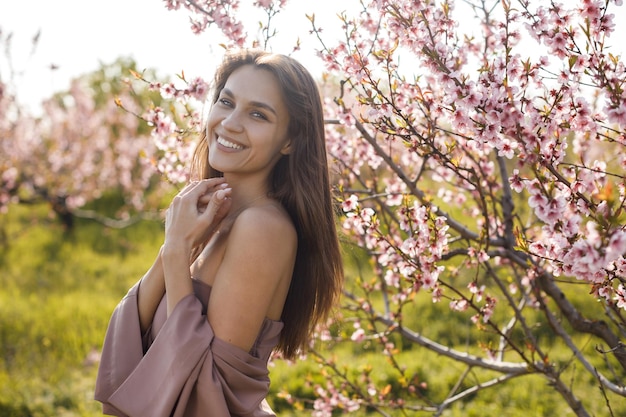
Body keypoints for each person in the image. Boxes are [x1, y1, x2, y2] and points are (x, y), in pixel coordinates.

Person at [94, 49, 344, 417]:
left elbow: (207, 385)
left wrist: (178, 251)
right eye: (226, 102)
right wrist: (173, 249)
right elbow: (131, 328)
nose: (229, 123)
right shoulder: (212, 218)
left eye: (258, 114)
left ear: (290, 141)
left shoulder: (264, 227)